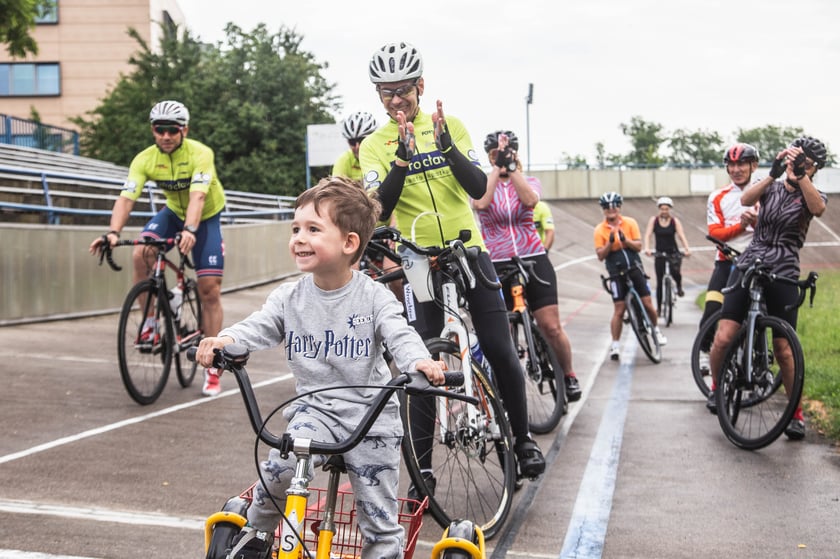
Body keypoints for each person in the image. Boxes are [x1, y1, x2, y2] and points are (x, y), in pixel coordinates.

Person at [195, 177, 445, 559]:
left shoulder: (372, 296)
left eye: (313, 229)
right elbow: (258, 326)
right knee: (279, 468)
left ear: (349, 243)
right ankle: (254, 537)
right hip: (316, 411)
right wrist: (225, 341)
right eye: (295, 228)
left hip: (371, 416)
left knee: (378, 517)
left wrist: (418, 362)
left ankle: (382, 552)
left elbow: (400, 333)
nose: (299, 237)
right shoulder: (289, 297)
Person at [360, 42, 547, 492]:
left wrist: (446, 147)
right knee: (421, 361)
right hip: (417, 258)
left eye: (403, 89)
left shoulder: (452, 125)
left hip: (469, 251)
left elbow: (478, 184)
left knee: (500, 349)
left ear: (420, 86)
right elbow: (379, 209)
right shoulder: (374, 145)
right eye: (386, 92)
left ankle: (521, 441)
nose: (395, 99)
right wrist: (402, 159)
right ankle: (421, 472)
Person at [88, 100, 227, 397]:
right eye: (159, 129)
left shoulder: (201, 153)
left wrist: (190, 229)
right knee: (142, 250)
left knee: (209, 289)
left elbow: (198, 197)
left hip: (206, 216)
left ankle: (214, 363)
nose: (165, 136)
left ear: (184, 130)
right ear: (152, 130)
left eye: (172, 130)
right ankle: (150, 321)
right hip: (173, 213)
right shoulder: (145, 159)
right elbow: (127, 198)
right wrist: (113, 232)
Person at [707, 136, 827, 440]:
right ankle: (716, 387)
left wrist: (801, 177)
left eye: (805, 163)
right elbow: (746, 200)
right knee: (722, 338)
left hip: (784, 265)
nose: (796, 166)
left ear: (814, 169)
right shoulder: (771, 185)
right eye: (793, 159)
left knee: (784, 349)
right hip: (751, 260)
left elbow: (817, 208)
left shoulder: (812, 191)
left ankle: (795, 415)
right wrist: (774, 172)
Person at [473, 129, 582, 402]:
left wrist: (512, 167)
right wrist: (498, 170)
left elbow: (531, 200)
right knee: (503, 335)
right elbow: (481, 203)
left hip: (532, 257)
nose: (501, 159)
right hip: (497, 262)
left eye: (507, 153)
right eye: (495, 155)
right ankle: (505, 391)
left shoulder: (529, 180)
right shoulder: (484, 182)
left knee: (551, 326)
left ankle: (568, 375)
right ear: (489, 157)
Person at [696, 144, 760, 373]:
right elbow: (716, 233)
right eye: (731, 164)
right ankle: (705, 353)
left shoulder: (767, 191)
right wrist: (741, 225)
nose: (736, 169)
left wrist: (756, 223)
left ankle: (756, 358)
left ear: (754, 165)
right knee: (713, 308)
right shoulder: (718, 197)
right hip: (727, 261)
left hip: (759, 261)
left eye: (741, 163)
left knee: (759, 315)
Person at [594, 192, 667, 360]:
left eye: (614, 207)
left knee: (647, 303)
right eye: (607, 208)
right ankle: (615, 345)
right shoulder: (600, 230)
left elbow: (638, 246)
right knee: (619, 310)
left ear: (619, 207)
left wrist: (625, 241)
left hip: (634, 268)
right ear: (603, 210)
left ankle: (656, 329)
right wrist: (610, 243)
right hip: (615, 272)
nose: (611, 210)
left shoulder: (630, 223)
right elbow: (600, 255)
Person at [643, 196, 692, 313]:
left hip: (673, 252)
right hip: (659, 253)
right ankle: (659, 308)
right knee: (659, 281)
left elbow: (681, 236)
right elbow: (648, 235)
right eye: (662, 209)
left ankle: (679, 286)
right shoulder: (653, 221)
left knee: (675, 273)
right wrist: (647, 248)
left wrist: (687, 249)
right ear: (659, 209)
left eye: (666, 209)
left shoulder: (675, 221)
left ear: (670, 209)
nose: (664, 211)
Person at [331, 111, 378, 182]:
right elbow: (336, 187)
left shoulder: (383, 154)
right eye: (352, 142)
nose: (357, 147)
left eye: (362, 140)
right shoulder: (344, 159)